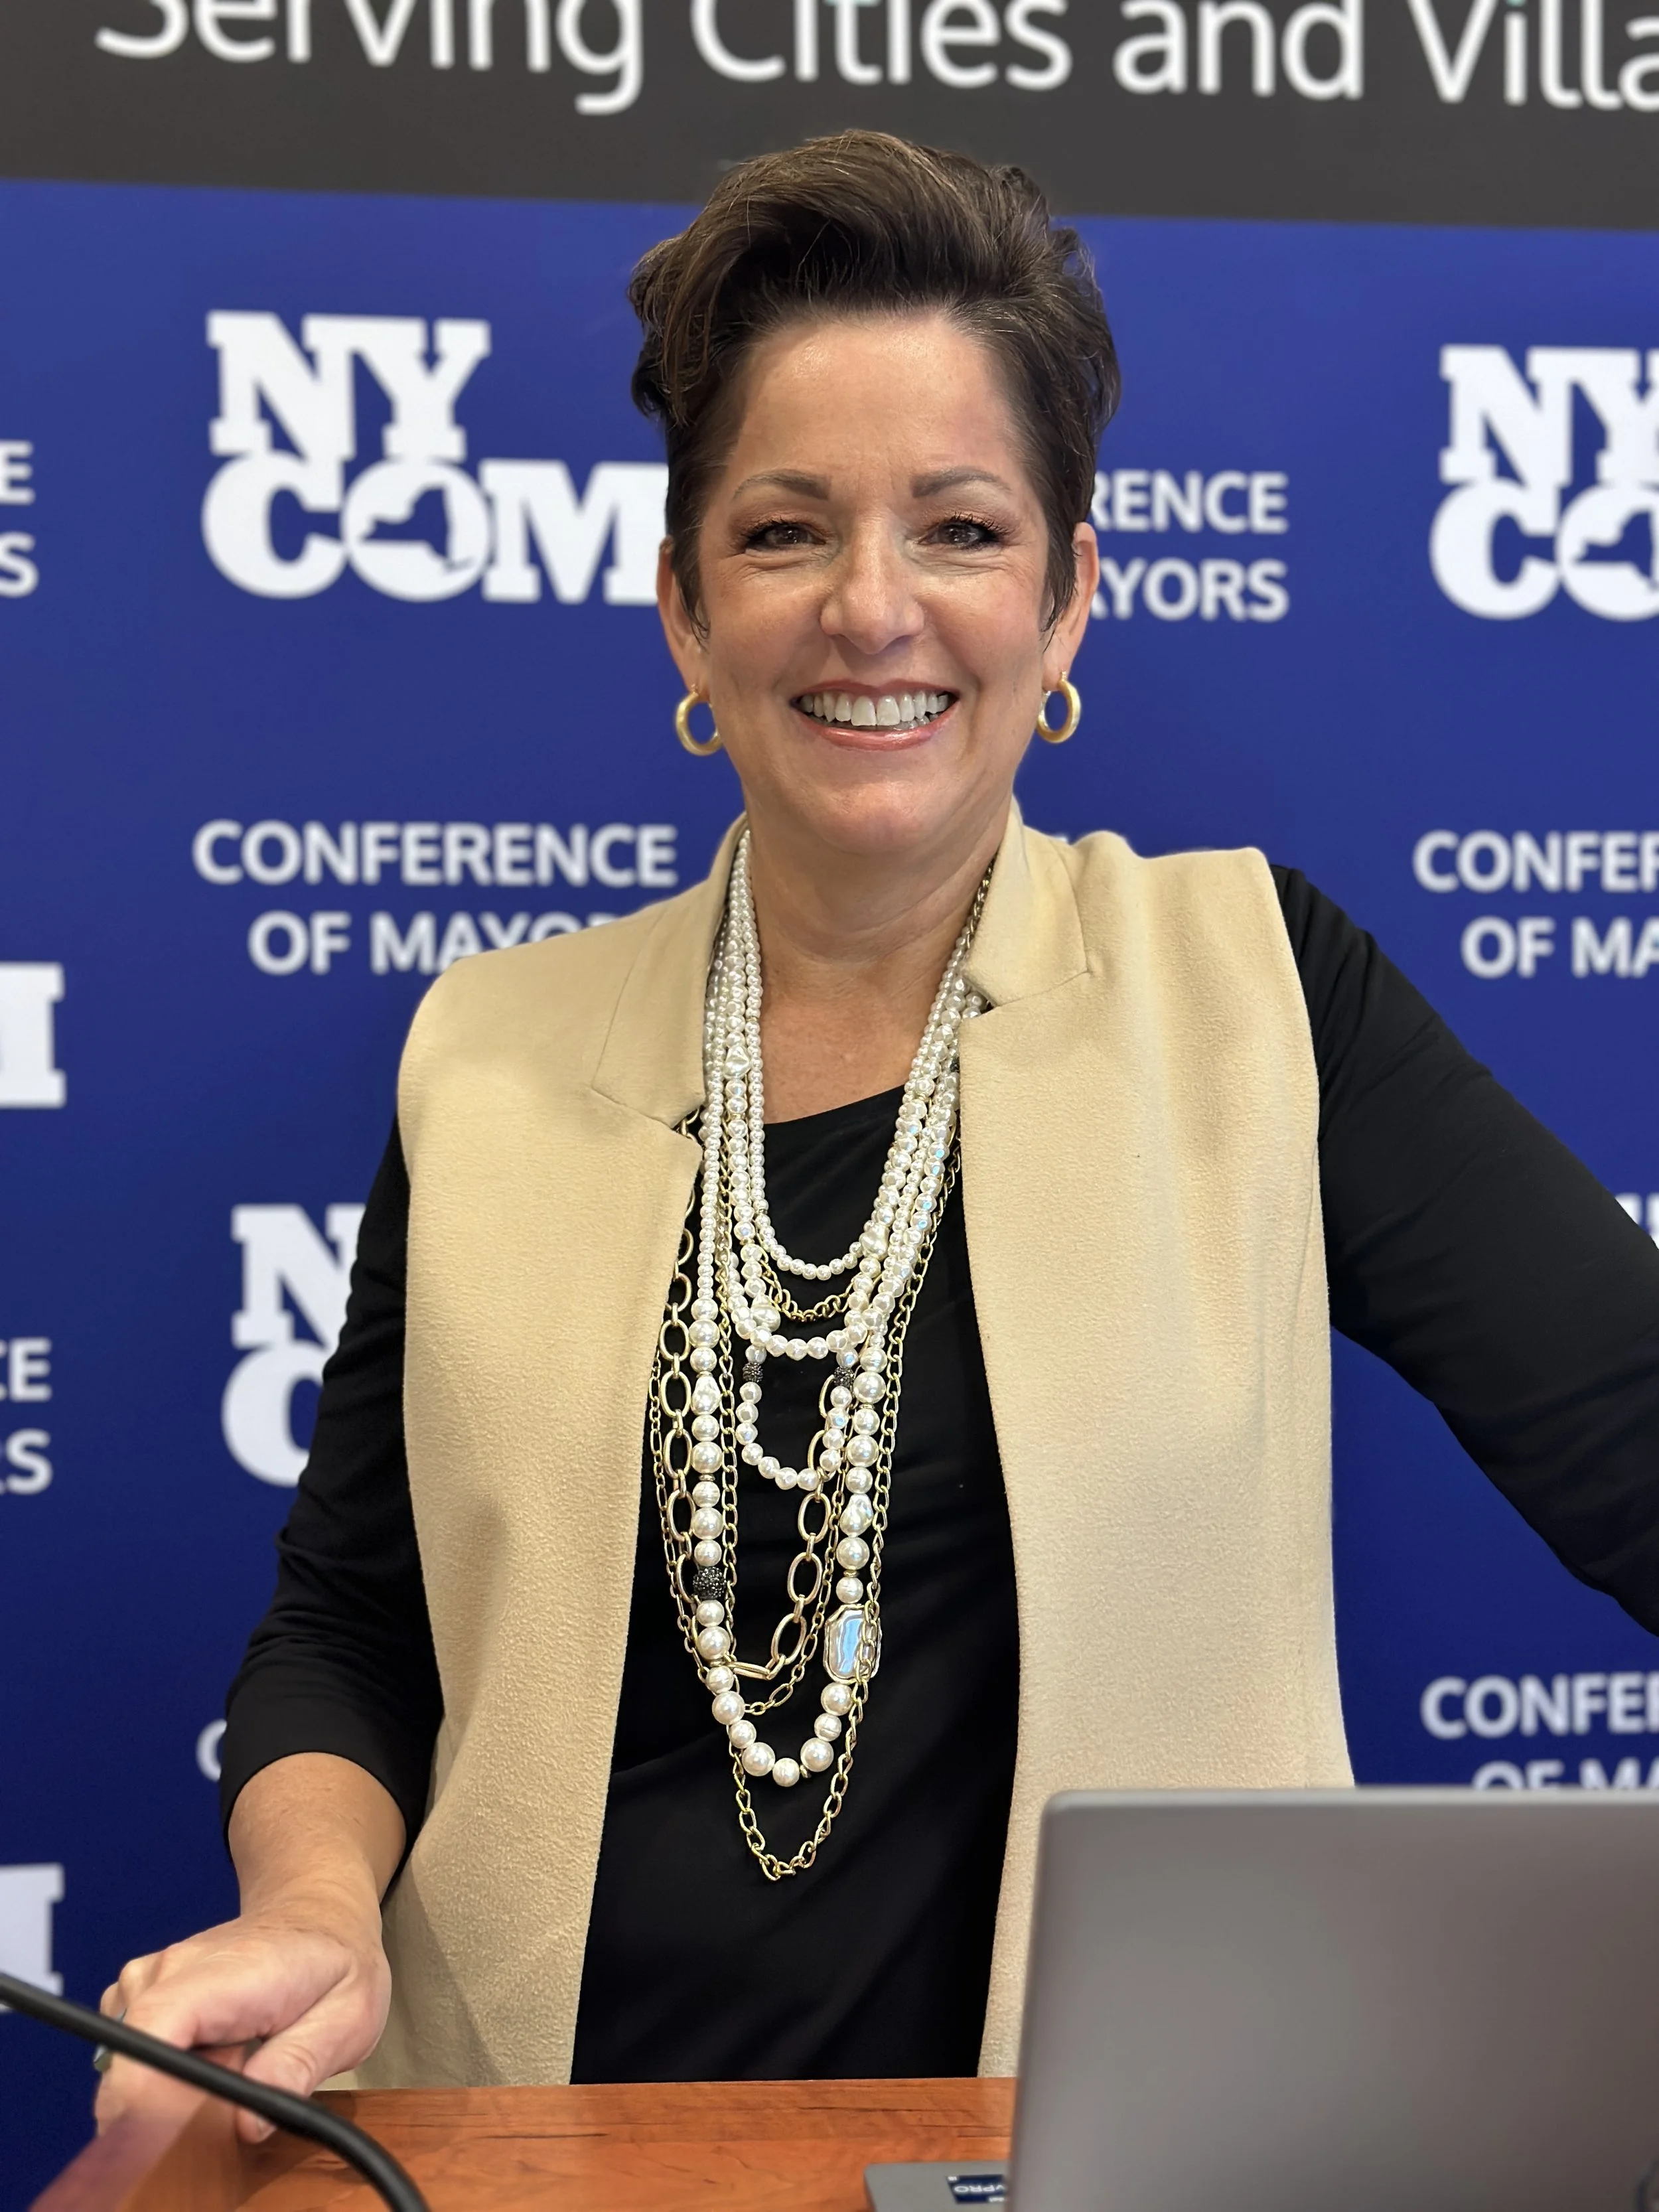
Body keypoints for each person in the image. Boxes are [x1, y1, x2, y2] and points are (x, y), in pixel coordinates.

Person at [100, 131, 1659, 2133]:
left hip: (1115, 2158)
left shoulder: (1256, 992)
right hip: (543, 2155)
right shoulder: (484, 1055)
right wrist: (315, 1907)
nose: (871, 607)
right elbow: (353, 1623)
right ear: (684, 609)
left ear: (1067, 598)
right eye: (782, 532)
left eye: (960, 528)